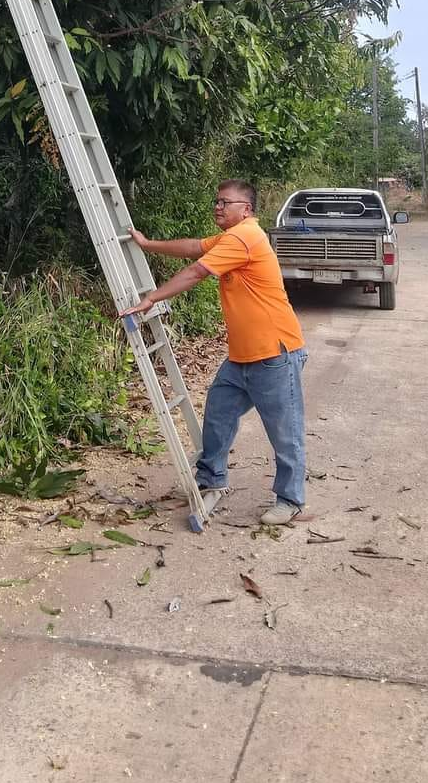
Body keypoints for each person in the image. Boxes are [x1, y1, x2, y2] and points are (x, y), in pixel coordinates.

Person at [123, 179, 308, 525]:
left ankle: (290, 499)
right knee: (219, 413)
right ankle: (211, 478)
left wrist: (151, 298)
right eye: (217, 201)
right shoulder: (230, 238)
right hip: (242, 356)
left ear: (246, 209)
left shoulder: (246, 236)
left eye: (226, 202)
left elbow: (196, 270)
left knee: (285, 431)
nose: (218, 207)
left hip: (274, 354)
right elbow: (195, 247)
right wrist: (149, 245)